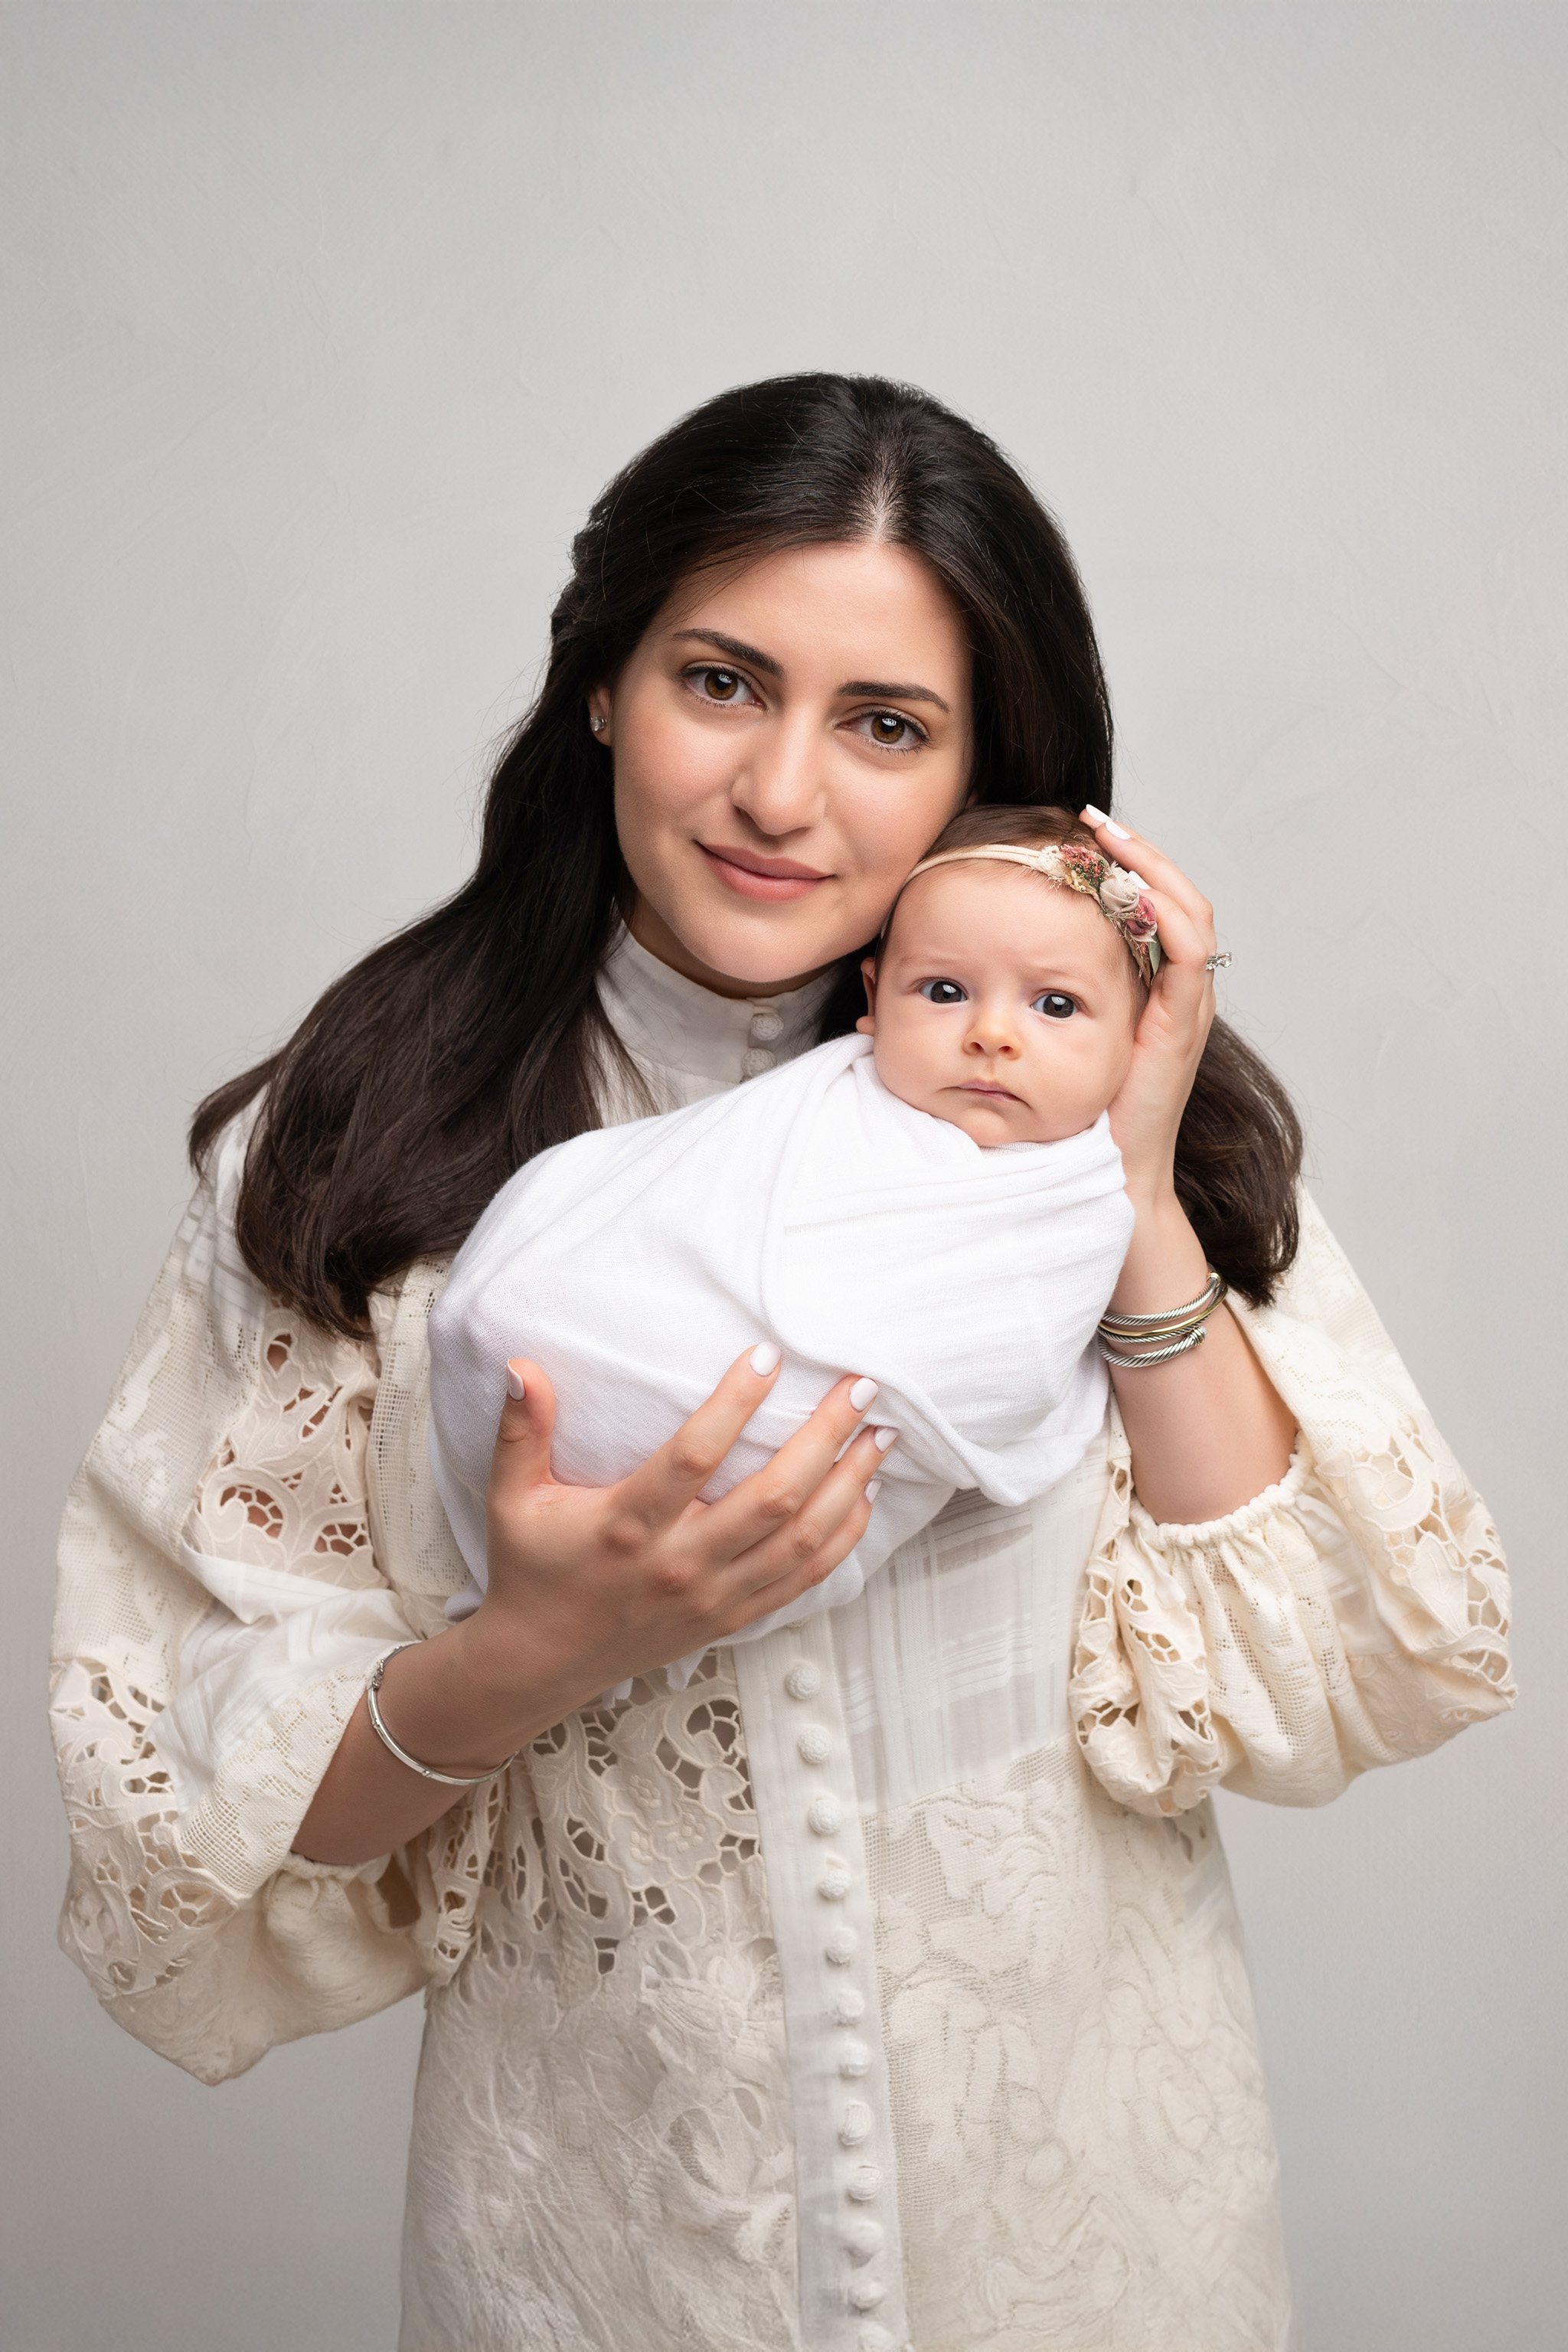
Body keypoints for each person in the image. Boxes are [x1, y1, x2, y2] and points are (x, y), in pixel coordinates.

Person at [51, 374, 1513, 2352]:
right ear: (601, 685)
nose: (779, 795)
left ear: (988, 768)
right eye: (722, 682)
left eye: (886, 725)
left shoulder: (1079, 1099)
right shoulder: (360, 1142)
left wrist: (1136, 1188)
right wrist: (534, 1654)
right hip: (597, 2263)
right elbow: (183, 1818)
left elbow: (1356, 1661)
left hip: (1094, 2259)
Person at [426, 807, 1183, 1671]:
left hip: (747, 1475)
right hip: (552, 1365)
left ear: (1135, 1037)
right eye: (942, 991)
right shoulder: (817, 1102)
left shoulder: (1078, 1195)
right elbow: (661, 1192)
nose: (991, 1034)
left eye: (1055, 1005)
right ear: (871, 1001)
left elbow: (1002, 1374)